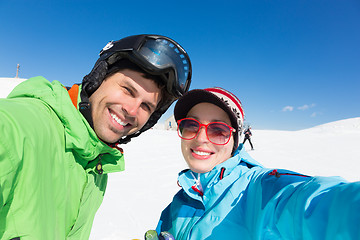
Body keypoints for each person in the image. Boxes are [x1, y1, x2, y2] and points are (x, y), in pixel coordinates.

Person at [0, 34, 192, 239]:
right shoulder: (20, 126)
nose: (132, 110)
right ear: (98, 78)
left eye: (146, 106)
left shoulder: (97, 164)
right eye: (127, 90)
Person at [153, 87, 360, 240]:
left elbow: (316, 204)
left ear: (235, 140)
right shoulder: (181, 199)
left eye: (218, 130)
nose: (201, 138)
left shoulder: (257, 188)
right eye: (191, 125)